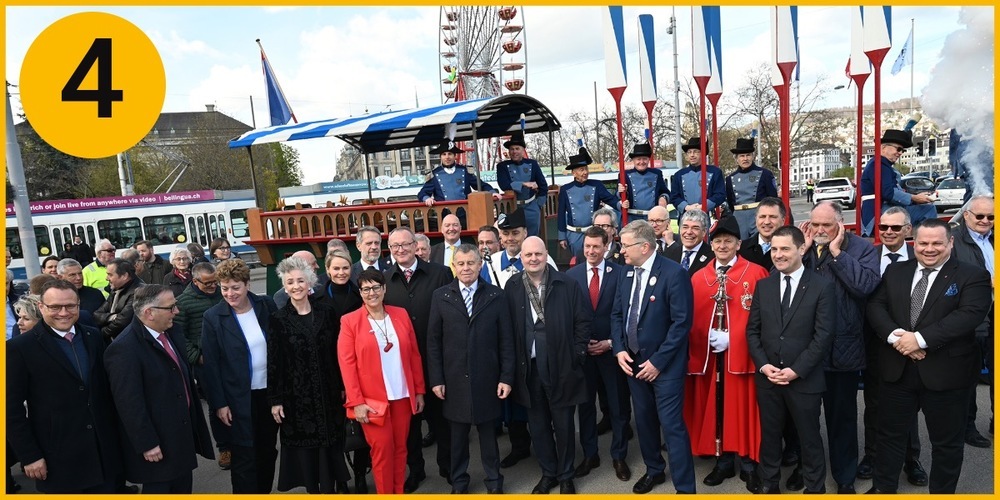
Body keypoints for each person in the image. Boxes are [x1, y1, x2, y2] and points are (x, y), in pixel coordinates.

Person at [866, 218, 992, 494]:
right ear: (915, 243)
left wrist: (920, 340)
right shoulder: (897, 271)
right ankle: (882, 489)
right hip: (897, 370)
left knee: (946, 444)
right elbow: (876, 305)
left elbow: (969, 315)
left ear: (950, 243)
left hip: (947, 375)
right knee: (888, 437)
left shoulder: (973, 275)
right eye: (923, 243)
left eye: (937, 243)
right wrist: (896, 337)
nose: (929, 249)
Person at [793, 201, 881, 494]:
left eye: (826, 225)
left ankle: (845, 477)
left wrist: (837, 254)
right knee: (805, 420)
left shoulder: (861, 248)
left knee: (841, 419)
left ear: (841, 225)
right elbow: (777, 283)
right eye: (815, 224)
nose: (819, 230)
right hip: (805, 351)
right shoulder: (802, 247)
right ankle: (809, 474)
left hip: (842, 349)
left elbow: (864, 286)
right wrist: (802, 251)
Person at [7, 280, 123, 493]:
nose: (64, 312)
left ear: (79, 306)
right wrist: (30, 456)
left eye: (70, 306)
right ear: (41, 307)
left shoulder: (93, 336)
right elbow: (10, 410)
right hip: (58, 460)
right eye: (55, 307)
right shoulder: (19, 348)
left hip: (103, 456)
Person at [746, 225, 836, 494]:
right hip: (769, 378)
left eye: (785, 248)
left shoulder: (822, 286)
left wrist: (796, 370)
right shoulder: (764, 285)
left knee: (809, 438)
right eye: (774, 249)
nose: (778, 254)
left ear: (800, 249)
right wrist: (763, 365)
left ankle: (814, 487)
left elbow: (824, 335)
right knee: (770, 436)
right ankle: (769, 484)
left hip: (804, 379)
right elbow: (753, 331)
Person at [611, 220, 696, 494]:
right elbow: (617, 315)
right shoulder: (625, 274)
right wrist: (620, 349)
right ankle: (654, 470)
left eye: (625, 245)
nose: (621, 251)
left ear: (644, 246)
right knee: (645, 421)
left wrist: (658, 362)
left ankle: (685, 488)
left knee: (672, 427)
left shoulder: (673, 274)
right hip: (633, 363)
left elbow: (681, 323)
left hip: (665, 367)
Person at [684, 216, 768, 488]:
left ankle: (748, 462)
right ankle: (722, 461)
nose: (722, 246)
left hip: (741, 358)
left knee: (742, 410)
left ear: (738, 244)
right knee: (717, 407)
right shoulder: (699, 277)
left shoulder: (755, 273)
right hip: (710, 358)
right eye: (717, 241)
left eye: (728, 241)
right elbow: (691, 316)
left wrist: (735, 337)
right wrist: (706, 334)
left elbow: (762, 317)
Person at [103, 285, 213, 493]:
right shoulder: (124, 349)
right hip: (157, 445)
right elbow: (129, 403)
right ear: (149, 313)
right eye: (171, 308)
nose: (177, 312)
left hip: (180, 436)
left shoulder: (171, 333)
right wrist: (147, 443)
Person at [505, 236, 590, 494]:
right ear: (521, 258)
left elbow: (582, 323)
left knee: (563, 423)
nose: (533, 259)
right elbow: (507, 327)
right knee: (538, 424)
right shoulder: (512, 286)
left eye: (538, 254)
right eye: (528, 255)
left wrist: (576, 354)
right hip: (529, 368)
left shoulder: (567, 284)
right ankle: (548, 473)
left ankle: (566, 474)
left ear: (546, 255)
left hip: (561, 366)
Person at [427, 244, 514, 494]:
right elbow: (433, 342)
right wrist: (436, 379)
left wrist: (506, 377)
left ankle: (494, 481)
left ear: (480, 265)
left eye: (471, 263)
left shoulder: (496, 296)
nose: (466, 268)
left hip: (487, 378)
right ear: (454, 266)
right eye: (461, 263)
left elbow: (506, 340)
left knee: (489, 438)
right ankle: (460, 482)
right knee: (458, 439)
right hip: (453, 381)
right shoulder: (441, 296)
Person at [338, 269, 426, 494]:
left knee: (400, 450)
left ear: (384, 288)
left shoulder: (400, 314)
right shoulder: (350, 321)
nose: (372, 292)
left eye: (376, 287)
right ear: (360, 292)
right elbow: (347, 365)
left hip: (402, 395)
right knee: (382, 452)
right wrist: (356, 402)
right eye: (366, 289)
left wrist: (418, 391)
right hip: (372, 401)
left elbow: (414, 355)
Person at [268, 257, 351, 493]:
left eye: (300, 281)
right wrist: (275, 400)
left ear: (310, 282)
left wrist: (345, 386)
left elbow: (339, 353)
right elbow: (275, 361)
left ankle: (336, 485)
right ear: (284, 286)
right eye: (290, 282)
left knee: (332, 442)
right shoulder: (278, 319)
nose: (296, 286)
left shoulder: (326, 312)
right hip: (297, 398)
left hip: (329, 392)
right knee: (308, 449)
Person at [858, 207, 927, 486]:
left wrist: (915, 341)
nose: (888, 232)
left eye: (895, 228)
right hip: (875, 343)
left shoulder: (920, 255)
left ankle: (912, 459)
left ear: (908, 230)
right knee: (874, 403)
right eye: (883, 227)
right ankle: (872, 455)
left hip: (914, 345)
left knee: (908, 405)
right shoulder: (867, 256)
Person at [382, 226, 453, 492]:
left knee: (441, 420)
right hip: (401, 367)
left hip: (436, 360)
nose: (400, 250)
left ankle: (448, 467)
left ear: (416, 245)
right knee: (409, 425)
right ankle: (417, 470)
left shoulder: (439, 273)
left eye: (405, 244)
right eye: (394, 246)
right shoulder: (385, 280)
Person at [478, 208, 551, 468]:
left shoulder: (543, 260)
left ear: (526, 233)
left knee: (536, 397)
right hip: (504, 342)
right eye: (505, 233)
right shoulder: (491, 262)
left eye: (515, 233)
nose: (510, 238)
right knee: (511, 397)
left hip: (532, 343)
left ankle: (545, 445)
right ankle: (519, 445)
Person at [201, 259, 279, 493]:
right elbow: (211, 366)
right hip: (236, 400)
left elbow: (278, 348)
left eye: (235, 287)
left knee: (267, 451)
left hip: (267, 396)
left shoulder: (265, 306)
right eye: (224, 288)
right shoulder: (213, 317)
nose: (230, 293)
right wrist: (220, 404)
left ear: (247, 285)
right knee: (244, 456)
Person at [567, 226, 632, 483]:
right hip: (583, 355)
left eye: (596, 247)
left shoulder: (621, 274)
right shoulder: (570, 277)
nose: (591, 251)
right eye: (587, 247)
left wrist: (610, 343)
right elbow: (567, 317)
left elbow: (627, 316)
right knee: (585, 409)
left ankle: (619, 456)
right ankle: (590, 455)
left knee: (618, 407)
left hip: (611, 353)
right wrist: (580, 344)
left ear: (607, 247)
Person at [315, 249, 370, 493]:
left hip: (359, 368)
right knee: (335, 428)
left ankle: (360, 473)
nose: (341, 272)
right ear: (328, 270)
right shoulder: (317, 299)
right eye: (336, 268)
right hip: (328, 370)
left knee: (359, 425)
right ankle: (340, 478)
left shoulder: (361, 295)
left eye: (345, 268)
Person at [175, 262, 230, 471]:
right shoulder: (183, 303)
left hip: (230, 359)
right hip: (205, 364)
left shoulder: (222, 294)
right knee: (217, 405)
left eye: (215, 281)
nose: (213, 286)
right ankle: (224, 448)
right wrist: (197, 357)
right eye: (207, 283)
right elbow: (179, 336)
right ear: (195, 281)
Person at [949, 195, 995, 448]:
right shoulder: (954, 239)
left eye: (991, 217)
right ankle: (968, 426)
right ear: (966, 215)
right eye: (980, 216)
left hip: (995, 311)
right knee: (970, 375)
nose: (985, 221)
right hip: (973, 315)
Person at [859, 129, 936, 236]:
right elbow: (888, 192)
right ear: (883, 147)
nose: (900, 153)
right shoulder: (880, 165)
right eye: (898, 149)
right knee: (928, 209)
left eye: (902, 150)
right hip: (878, 212)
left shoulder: (880, 164)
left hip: (877, 211)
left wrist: (915, 199)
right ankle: (927, 240)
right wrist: (914, 198)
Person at [557, 146, 622, 255]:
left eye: (586, 168)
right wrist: (562, 237)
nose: (585, 172)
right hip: (574, 235)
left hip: (594, 232)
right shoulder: (565, 189)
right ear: (574, 173)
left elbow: (610, 199)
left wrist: (621, 204)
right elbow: (561, 214)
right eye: (581, 170)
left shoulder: (596, 185)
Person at [418, 140, 501, 219]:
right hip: (445, 215)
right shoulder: (434, 174)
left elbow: (480, 185)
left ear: (455, 156)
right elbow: (422, 193)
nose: (447, 157)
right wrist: (427, 198)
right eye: (444, 154)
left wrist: (492, 192)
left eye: (450, 154)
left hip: (466, 212)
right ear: (440, 157)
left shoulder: (464, 170)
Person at [496, 130, 548, 237]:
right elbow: (504, 185)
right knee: (515, 238)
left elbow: (543, 185)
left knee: (532, 237)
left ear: (523, 150)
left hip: (531, 207)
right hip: (513, 208)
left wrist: (538, 205)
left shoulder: (532, 164)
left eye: (517, 149)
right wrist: (524, 184)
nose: (514, 152)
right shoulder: (502, 166)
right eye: (512, 149)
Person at [725, 138, 778, 240]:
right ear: (736, 159)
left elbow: (773, 199)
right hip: (739, 218)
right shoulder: (729, 179)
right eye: (742, 156)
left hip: (759, 217)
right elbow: (730, 202)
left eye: (748, 155)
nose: (745, 159)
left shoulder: (765, 174)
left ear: (753, 156)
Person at [669, 137, 726, 222]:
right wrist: (687, 207)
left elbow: (720, 194)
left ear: (703, 153)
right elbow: (674, 197)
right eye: (689, 152)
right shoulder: (679, 175)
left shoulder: (714, 172)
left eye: (696, 152)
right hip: (685, 216)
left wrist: (703, 206)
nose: (692, 155)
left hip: (706, 216)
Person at [93, 258, 144, 342]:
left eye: (110, 275)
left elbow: (123, 322)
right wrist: (112, 317)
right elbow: (96, 314)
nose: (106, 278)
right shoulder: (116, 289)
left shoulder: (139, 291)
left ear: (125, 276)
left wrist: (101, 333)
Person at [618, 142, 670, 221]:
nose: (641, 162)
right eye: (638, 159)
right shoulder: (624, 175)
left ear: (648, 159)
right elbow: (618, 196)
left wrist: (663, 198)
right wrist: (620, 192)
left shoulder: (656, 173)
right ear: (633, 160)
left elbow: (665, 192)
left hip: (651, 218)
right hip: (631, 217)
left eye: (644, 159)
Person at [738, 197, 786, 271]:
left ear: (783, 221)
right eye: (762, 217)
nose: (767, 222)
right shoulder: (740, 250)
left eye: (772, 217)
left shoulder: (792, 251)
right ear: (756, 219)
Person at [664, 210, 714, 276]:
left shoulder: (713, 256)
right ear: (680, 230)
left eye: (695, 228)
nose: (689, 232)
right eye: (685, 227)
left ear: (704, 232)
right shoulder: (669, 254)